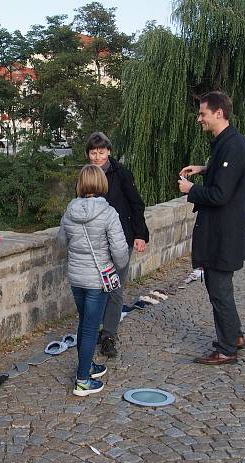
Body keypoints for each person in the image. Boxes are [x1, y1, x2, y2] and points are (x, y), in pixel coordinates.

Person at [178, 91, 245, 365]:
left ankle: (226, 349)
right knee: (221, 288)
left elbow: (221, 195)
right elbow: (225, 173)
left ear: (218, 113)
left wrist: (191, 190)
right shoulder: (228, 142)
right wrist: (205, 168)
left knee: (219, 290)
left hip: (224, 234)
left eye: (202, 114)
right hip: (225, 231)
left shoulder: (232, 145)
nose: (199, 119)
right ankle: (235, 336)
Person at [58, 165, 130, 396]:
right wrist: (115, 265)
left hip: (77, 278)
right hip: (98, 280)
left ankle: (87, 366)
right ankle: (83, 381)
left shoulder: (70, 211)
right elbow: (120, 251)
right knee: (90, 328)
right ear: (101, 184)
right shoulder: (108, 213)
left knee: (84, 324)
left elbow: (61, 241)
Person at [83, 132, 150, 359]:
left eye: (101, 152)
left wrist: (141, 234)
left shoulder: (122, 173)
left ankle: (109, 335)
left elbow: (136, 204)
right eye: (93, 152)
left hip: (121, 239)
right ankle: (91, 331)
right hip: (94, 242)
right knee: (94, 288)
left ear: (109, 152)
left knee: (115, 288)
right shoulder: (86, 175)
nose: (98, 157)